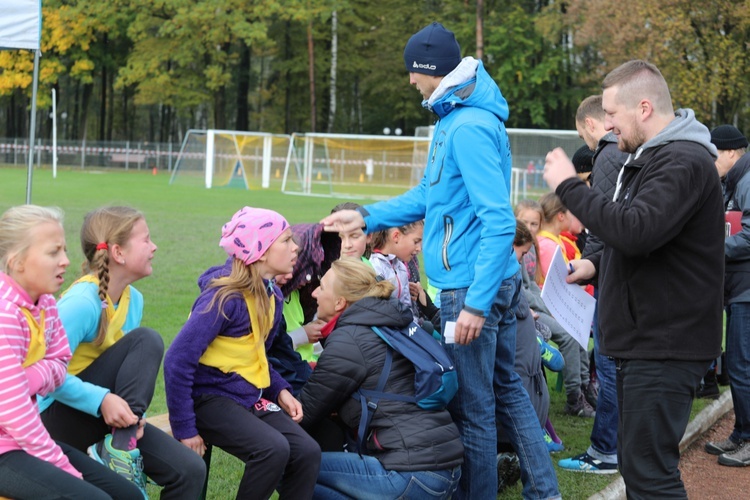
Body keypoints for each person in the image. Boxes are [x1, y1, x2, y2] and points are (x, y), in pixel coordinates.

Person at [321, 21, 559, 500]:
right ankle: (544, 493)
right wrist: (366, 215)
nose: (410, 80)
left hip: (471, 284)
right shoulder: (458, 117)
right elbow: (431, 195)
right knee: (508, 392)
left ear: (432, 70)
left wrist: (474, 302)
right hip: (488, 278)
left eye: (413, 71)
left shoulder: (467, 126)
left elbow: (496, 221)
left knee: (475, 408)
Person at [544, 59, 724, 498]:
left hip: (663, 343)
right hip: (646, 340)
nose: (606, 125)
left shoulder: (681, 160)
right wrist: (597, 265)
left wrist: (570, 186)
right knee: (640, 467)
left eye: (611, 114)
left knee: (650, 475)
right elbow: (651, 238)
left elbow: (637, 231)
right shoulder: (653, 156)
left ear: (643, 108)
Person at [39, 206, 206, 499]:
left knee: (189, 469)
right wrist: (102, 400)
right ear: (118, 252)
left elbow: (126, 373)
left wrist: (128, 411)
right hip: (51, 421)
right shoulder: (81, 302)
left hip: (99, 417)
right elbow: (44, 375)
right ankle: (122, 446)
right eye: (146, 239)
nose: (154, 247)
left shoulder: (134, 300)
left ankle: (121, 443)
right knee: (147, 340)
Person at [164, 206, 321, 499]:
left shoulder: (270, 295)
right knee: (272, 450)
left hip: (245, 395)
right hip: (208, 397)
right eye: (285, 240)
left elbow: (254, 354)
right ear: (259, 251)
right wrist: (184, 428)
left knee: (307, 451)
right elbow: (177, 360)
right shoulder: (223, 298)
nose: (295, 247)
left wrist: (280, 390)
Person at [0, 205, 142, 500]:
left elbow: (59, 364)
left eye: (64, 250)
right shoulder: (7, 314)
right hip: (8, 447)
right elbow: (14, 412)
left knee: (127, 495)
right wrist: (62, 465)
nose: (66, 261)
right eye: (53, 252)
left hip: (23, 439)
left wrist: (26, 376)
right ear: (18, 261)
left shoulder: (46, 304)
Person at [299, 258, 463, 499]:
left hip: (410, 475)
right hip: (446, 473)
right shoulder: (391, 322)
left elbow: (305, 411)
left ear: (340, 303)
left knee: (293, 468)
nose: (313, 293)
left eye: (321, 287)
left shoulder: (350, 339)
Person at [557, 94, 628, 474]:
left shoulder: (606, 153)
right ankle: (620, 445)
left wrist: (589, 263)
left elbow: (601, 223)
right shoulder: (631, 151)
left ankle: (604, 450)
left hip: (614, 276)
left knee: (609, 360)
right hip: (626, 274)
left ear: (588, 124)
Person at [704, 124, 750, 466]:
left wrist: (709, 249)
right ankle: (740, 434)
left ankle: (748, 439)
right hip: (736, 288)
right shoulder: (732, 181)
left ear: (731, 152)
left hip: (747, 289)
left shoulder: (747, 181)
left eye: (714, 153)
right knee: (737, 363)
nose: (711, 160)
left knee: (741, 364)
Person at [537, 192, 595, 419]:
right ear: (561, 216)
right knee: (573, 334)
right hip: (550, 305)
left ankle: (583, 387)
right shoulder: (548, 244)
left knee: (579, 330)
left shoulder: (556, 240)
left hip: (556, 303)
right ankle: (576, 396)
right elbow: (552, 284)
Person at [369, 220, 424, 322]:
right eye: (416, 242)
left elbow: (408, 309)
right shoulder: (374, 267)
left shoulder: (401, 267)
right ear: (396, 237)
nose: (419, 248)